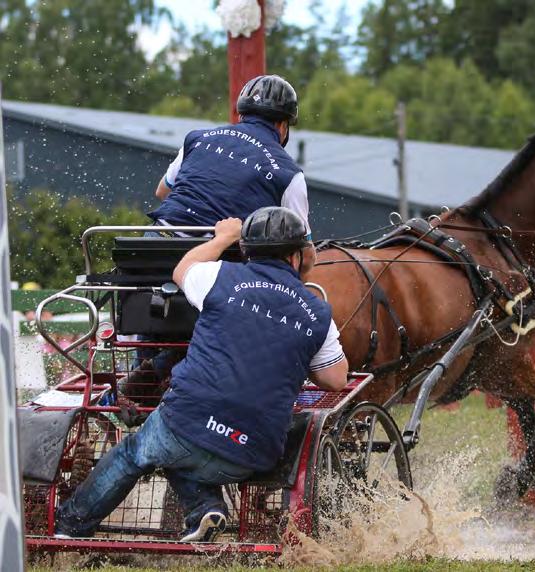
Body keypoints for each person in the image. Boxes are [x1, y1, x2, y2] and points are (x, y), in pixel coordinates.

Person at [55, 207, 348, 542]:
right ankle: (205, 509)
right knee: (185, 454)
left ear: (245, 251)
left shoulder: (220, 277)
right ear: (296, 257)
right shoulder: (317, 311)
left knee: (136, 453)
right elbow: (336, 379)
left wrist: (222, 237)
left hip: (186, 424)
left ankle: (69, 526)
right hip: (254, 453)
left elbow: (182, 269)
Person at [149, 74, 316, 275]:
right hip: (219, 267)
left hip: (153, 247)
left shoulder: (197, 139)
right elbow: (304, 256)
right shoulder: (289, 174)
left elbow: (162, 191)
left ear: (241, 115)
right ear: (283, 126)